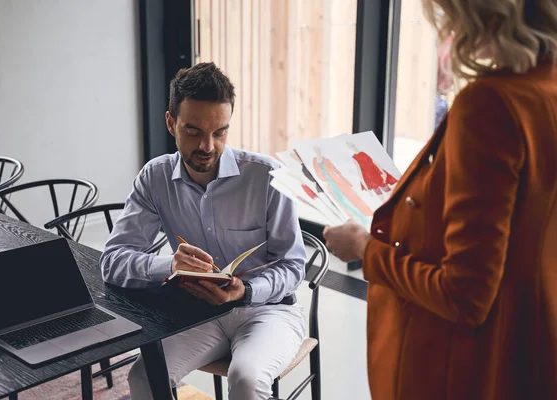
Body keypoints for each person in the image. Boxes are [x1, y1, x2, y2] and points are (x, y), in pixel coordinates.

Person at [323, 1, 557, 399]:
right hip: (533, 346)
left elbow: (464, 295)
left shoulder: (491, 104)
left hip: (472, 366)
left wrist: (366, 248)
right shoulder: (545, 88)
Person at [100, 62, 306, 400]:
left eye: (220, 132)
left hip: (268, 310)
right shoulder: (155, 178)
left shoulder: (267, 176)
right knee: (144, 378)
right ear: (171, 122)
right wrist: (170, 265)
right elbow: (112, 261)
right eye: (193, 131)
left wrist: (246, 291)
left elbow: (294, 267)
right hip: (197, 314)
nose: (207, 146)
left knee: (246, 379)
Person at [312, 145, 373, 225]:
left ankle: (363, 216)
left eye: (318, 150)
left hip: (338, 182)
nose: (318, 152)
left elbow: (337, 171)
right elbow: (318, 173)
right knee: (342, 202)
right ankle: (355, 217)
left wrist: (346, 182)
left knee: (353, 198)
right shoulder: (315, 161)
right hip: (330, 185)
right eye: (316, 150)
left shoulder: (326, 160)